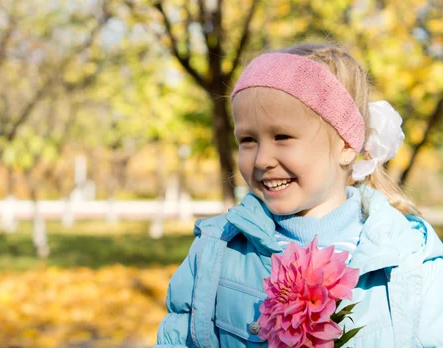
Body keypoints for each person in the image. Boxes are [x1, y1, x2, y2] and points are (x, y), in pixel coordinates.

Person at [156, 43, 443, 347]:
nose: (262, 159)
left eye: (282, 137)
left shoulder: (410, 259)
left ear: (346, 144)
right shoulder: (215, 253)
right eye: (248, 140)